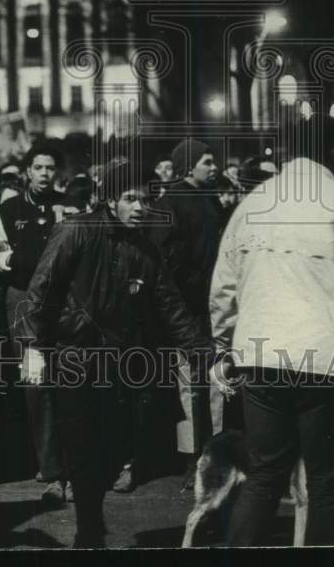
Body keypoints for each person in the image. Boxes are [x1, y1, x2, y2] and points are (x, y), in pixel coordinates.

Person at [209, 117, 334, 546]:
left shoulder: (252, 203)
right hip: (320, 360)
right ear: (333, 152)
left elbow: (223, 287)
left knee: (264, 477)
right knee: (326, 483)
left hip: (259, 356)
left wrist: (226, 345)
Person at [20, 160, 212, 548]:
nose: (139, 207)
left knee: (112, 449)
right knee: (81, 447)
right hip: (73, 357)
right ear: (109, 200)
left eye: (144, 199)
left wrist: (205, 355)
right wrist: (32, 348)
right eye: (129, 198)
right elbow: (41, 289)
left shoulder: (146, 249)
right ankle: (89, 531)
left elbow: (171, 307)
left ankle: (91, 517)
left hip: (120, 364)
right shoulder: (76, 231)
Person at [0, 145, 68, 504]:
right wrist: (20, 257)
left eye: (50, 167)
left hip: (65, 305)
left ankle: (71, 466)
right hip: (23, 304)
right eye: (39, 167)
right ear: (27, 172)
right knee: (36, 385)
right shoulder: (8, 209)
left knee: (68, 382)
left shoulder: (70, 207)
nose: (45, 173)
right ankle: (52, 472)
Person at [154, 138, 224, 481]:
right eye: (207, 162)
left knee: (211, 380)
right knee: (188, 382)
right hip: (187, 308)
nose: (214, 168)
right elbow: (166, 257)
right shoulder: (171, 202)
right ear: (189, 165)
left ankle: (215, 450)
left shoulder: (210, 200)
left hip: (211, 306)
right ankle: (191, 456)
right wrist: (195, 281)